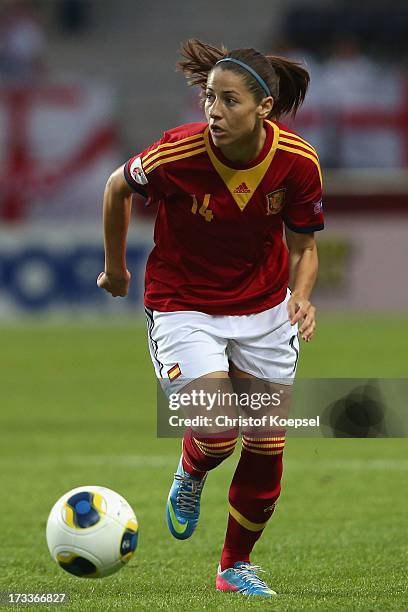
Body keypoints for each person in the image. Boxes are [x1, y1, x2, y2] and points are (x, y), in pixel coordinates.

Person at [97, 39, 324, 597]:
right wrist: (116, 269)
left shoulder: (297, 161)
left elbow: (304, 246)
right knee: (219, 429)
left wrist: (302, 294)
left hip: (265, 309)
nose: (213, 112)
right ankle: (193, 469)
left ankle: (233, 567)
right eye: (208, 98)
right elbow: (116, 186)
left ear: (263, 108)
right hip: (184, 305)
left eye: (228, 101)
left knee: (268, 441)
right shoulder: (176, 154)